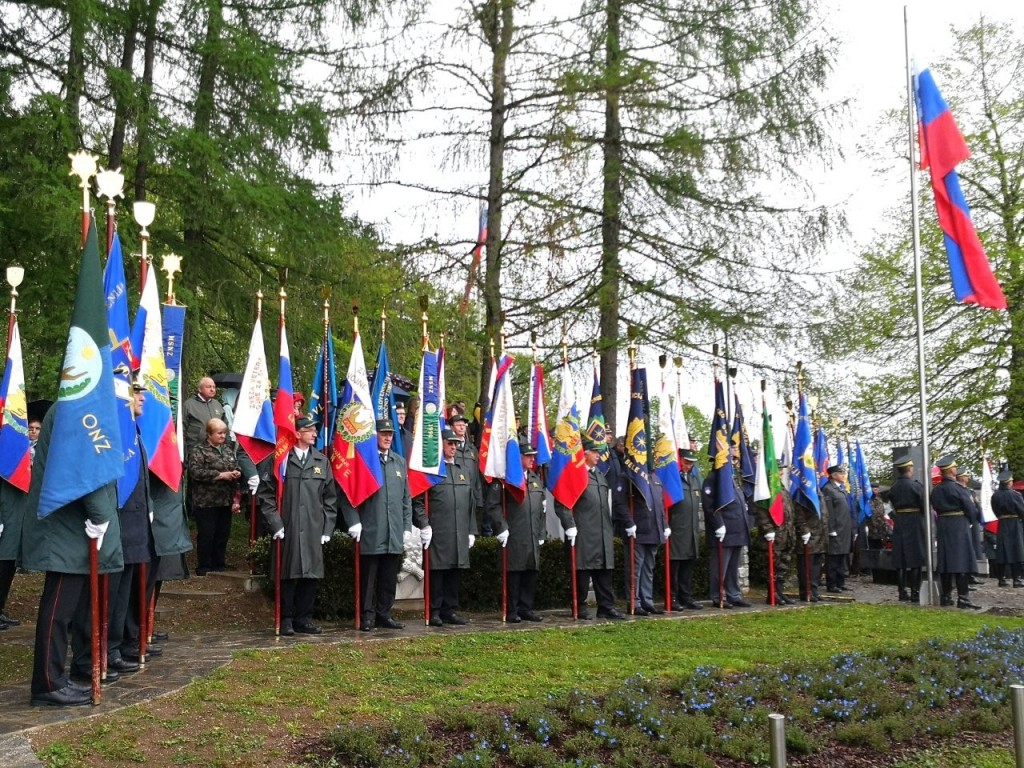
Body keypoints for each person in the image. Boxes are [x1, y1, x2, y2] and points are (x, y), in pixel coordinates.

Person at [22, 408, 123, 706]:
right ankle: (47, 683)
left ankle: (54, 678)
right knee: (58, 610)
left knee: (63, 609)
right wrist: (101, 514)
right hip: (65, 527)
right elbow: (82, 465)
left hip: (71, 526)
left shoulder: (80, 402)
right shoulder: (78, 404)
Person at [258, 416, 339, 635]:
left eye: (315, 430)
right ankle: (286, 618)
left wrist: (327, 528)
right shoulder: (281, 459)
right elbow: (266, 495)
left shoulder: (321, 461)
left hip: (313, 527)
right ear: (297, 433)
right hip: (289, 524)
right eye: (310, 430)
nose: (314, 434)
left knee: (310, 574)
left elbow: (330, 498)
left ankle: (304, 619)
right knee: (288, 573)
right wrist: (275, 523)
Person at [341, 418, 413, 631]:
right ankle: (367, 615)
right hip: (372, 528)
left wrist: (406, 526)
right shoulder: (364, 462)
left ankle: (384, 614)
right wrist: (353, 521)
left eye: (390, 434)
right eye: (384, 434)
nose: (388, 437)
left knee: (389, 577)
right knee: (369, 577)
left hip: (394, 530)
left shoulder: (399, 462)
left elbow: (406, 498)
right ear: (375, 436)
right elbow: (348, 494)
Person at [413, 428, 479, 626]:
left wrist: (472, 530)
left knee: (454, 570)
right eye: (449, 443)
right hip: (439, 530)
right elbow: (418, 501)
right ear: (440, 444)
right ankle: (434, 611)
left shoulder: (462, 469)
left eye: (455, 444)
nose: (453, 447)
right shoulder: (432, 471)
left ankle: (449, 610)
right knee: (437, 571)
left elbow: (471, 503)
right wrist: (424, 524)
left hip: (459, 529)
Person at [554, 435, 624, 620]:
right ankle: (579, 606)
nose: (598, 455)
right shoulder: (574, 474)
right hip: (583, 531)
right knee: (582, 571)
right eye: (594, 452)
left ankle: (606, 607)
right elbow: (562, 503)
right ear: (584, 454)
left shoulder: (599, 474)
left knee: (604, 571)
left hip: (601, 530)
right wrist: (569, 525)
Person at [487, 441, 547, 622]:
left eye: (533, 456)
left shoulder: (535, 479)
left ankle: (526, 608)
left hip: (532, 533)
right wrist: (501, 527)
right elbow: (493, 506)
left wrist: (542, 532)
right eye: (528, 456)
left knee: (530, 572)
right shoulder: (505, 479)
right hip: (514, 533)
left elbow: (541, 510)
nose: (532, 459)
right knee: (514, 573)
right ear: (518, 457)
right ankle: (511, 610)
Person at [188, 418, 241, 575]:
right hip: (206, 501)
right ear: (209, 434)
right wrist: (220, 475)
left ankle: (219, 564)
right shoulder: (199, 450)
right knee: (207, 534)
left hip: (225, 499)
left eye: (224, 433)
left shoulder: (227, 449)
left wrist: (236, 472)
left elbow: (235, 465)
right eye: (219, 433)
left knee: (222, 534)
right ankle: (204, 566)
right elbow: (195, 472)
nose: (223, 436)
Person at [614, 471, 669, 615]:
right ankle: (635, 602)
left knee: (648, 568)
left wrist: (664, 525)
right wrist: (629, 522)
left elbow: (659, 505)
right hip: (637, 530)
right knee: (635, 569)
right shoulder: (628, 475)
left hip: (654, 530)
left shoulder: (655, 478)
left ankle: (647, 601)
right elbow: (619, 502)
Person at [930, 455, 981, 609]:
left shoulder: (936, 490)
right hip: (959, 525)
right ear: (952, 470)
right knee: (962, 561)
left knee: (945, 562)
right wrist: (970, 520)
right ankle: (963, 598)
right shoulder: (959, 489)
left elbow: (935, 506)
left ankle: (946, 596)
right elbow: (971, 510)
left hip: (943, 525)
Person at [702, 450, 752, 608]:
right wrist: (719, 524)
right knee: (720, 567)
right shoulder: (713, 479)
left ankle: (733, 594)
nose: (733, 462)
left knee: (732, 567)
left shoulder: (731, 479)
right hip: (724, 532)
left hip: (737, 531)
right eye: (730, 459)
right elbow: (709, 506)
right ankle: (718, 596)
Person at [754, 458, 797, 605]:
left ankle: (779, 592)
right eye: (778, 469)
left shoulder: (781, 488)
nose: (780, 472)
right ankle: (772, 594)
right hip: (775, 535)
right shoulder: (766, 489)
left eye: (781, 469)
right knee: (772, 565)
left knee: (783, 566)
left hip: (786, 534)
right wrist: (768, 529)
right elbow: (761, 511)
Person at [888, 455, 927, 603]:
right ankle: (915, 592)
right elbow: (923, 505)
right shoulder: (916, 486)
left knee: (900, 560)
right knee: (916, 558)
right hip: (914, 521)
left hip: (899, 521)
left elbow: (892, 503)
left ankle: (902, 592)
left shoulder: (894, 487)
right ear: (910, 468)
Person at [668, 448, 703, 610]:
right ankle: (673, 597)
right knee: (674, 567)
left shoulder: (693, 480)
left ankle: (686, 597)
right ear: (679, 460)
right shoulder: (673, 479)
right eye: (686, 462)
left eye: (691, 463)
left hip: (691, 531)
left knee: (687, 567)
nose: (689, 466)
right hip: (677, 530)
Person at [451, 412, 488, 535]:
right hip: (456, 494)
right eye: (458, 425)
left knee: (472, 531)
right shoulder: (449, 448)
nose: (462, 427)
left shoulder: (472, 449)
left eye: (463, 425)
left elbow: (477, 475)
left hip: (471, 495)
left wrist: (479, 499)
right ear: (452, 427)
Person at [821, 464, 853, 594]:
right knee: (833, 558)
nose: (843, 475)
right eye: (841, 473)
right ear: (833, 475)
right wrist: (831, 528)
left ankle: (840, 582)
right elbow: (829, 511)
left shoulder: (840, 489)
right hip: (836, 529)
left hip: (844, 528)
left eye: (843, 473)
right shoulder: (828, 489)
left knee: (841, 557)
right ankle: (832, 584)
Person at [992, 469, 1024, 588]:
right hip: (1015, 524)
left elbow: (995, 510)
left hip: (1002, 523)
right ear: (1009, 482)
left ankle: (1001, 579)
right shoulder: (1015, 495)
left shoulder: (995, 495)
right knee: (1017, 551)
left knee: (1002, 552)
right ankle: (1017, 579)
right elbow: (1022, 511)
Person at [182, 377, 226, 461]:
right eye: (208, 387)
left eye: (214, 387)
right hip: (195, 452)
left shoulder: (217, 405)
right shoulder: (189, 405)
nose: (212, 389)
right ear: (200, 389)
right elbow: (182, 429)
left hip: (217, 451)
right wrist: (184, 453)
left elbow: (225, 427)